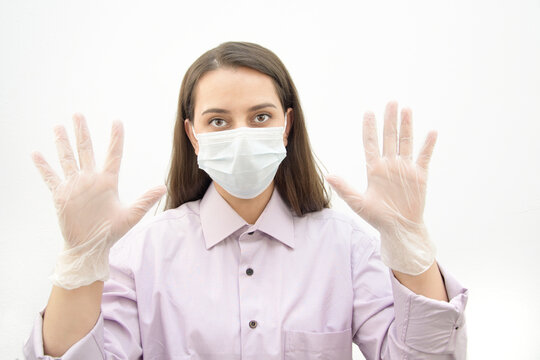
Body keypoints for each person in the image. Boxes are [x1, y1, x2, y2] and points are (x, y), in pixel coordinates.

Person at [24, 41, 468, 359]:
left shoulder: (345, 246)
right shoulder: (144, 255)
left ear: (287, 125)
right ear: (192, 136)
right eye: (218, 121)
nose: (241, 135)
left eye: (260, 116)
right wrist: (79, 262)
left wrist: (412, 248)